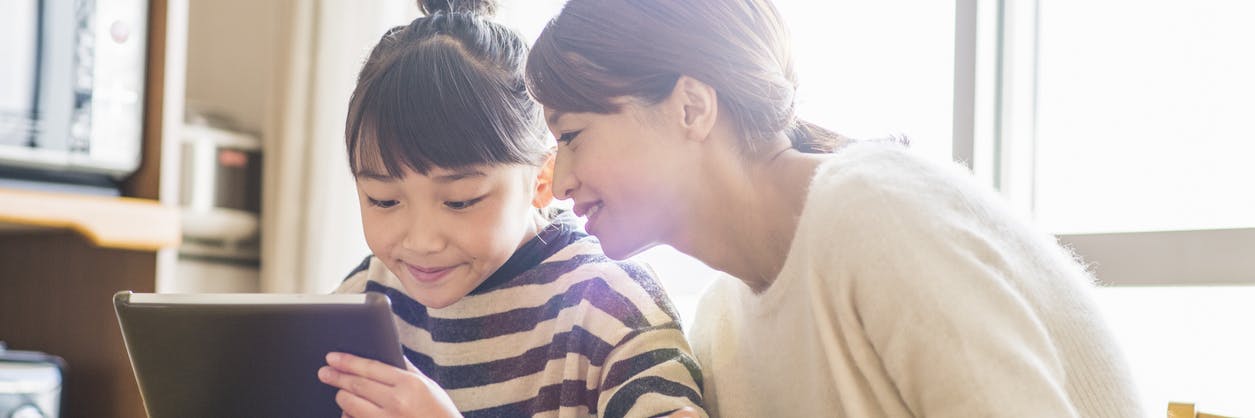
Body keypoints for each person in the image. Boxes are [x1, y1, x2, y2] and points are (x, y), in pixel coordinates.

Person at [524, 0, 1143, 416]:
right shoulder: (720, 329)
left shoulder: (875, 213)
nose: (563, 179)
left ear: (691, 107)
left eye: (572, 135)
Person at [316, 1, 706, 417]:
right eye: (384, 200)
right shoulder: (366, 301)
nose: (422, 241)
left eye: (460, 201)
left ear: (542, 180)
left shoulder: (607, 305)